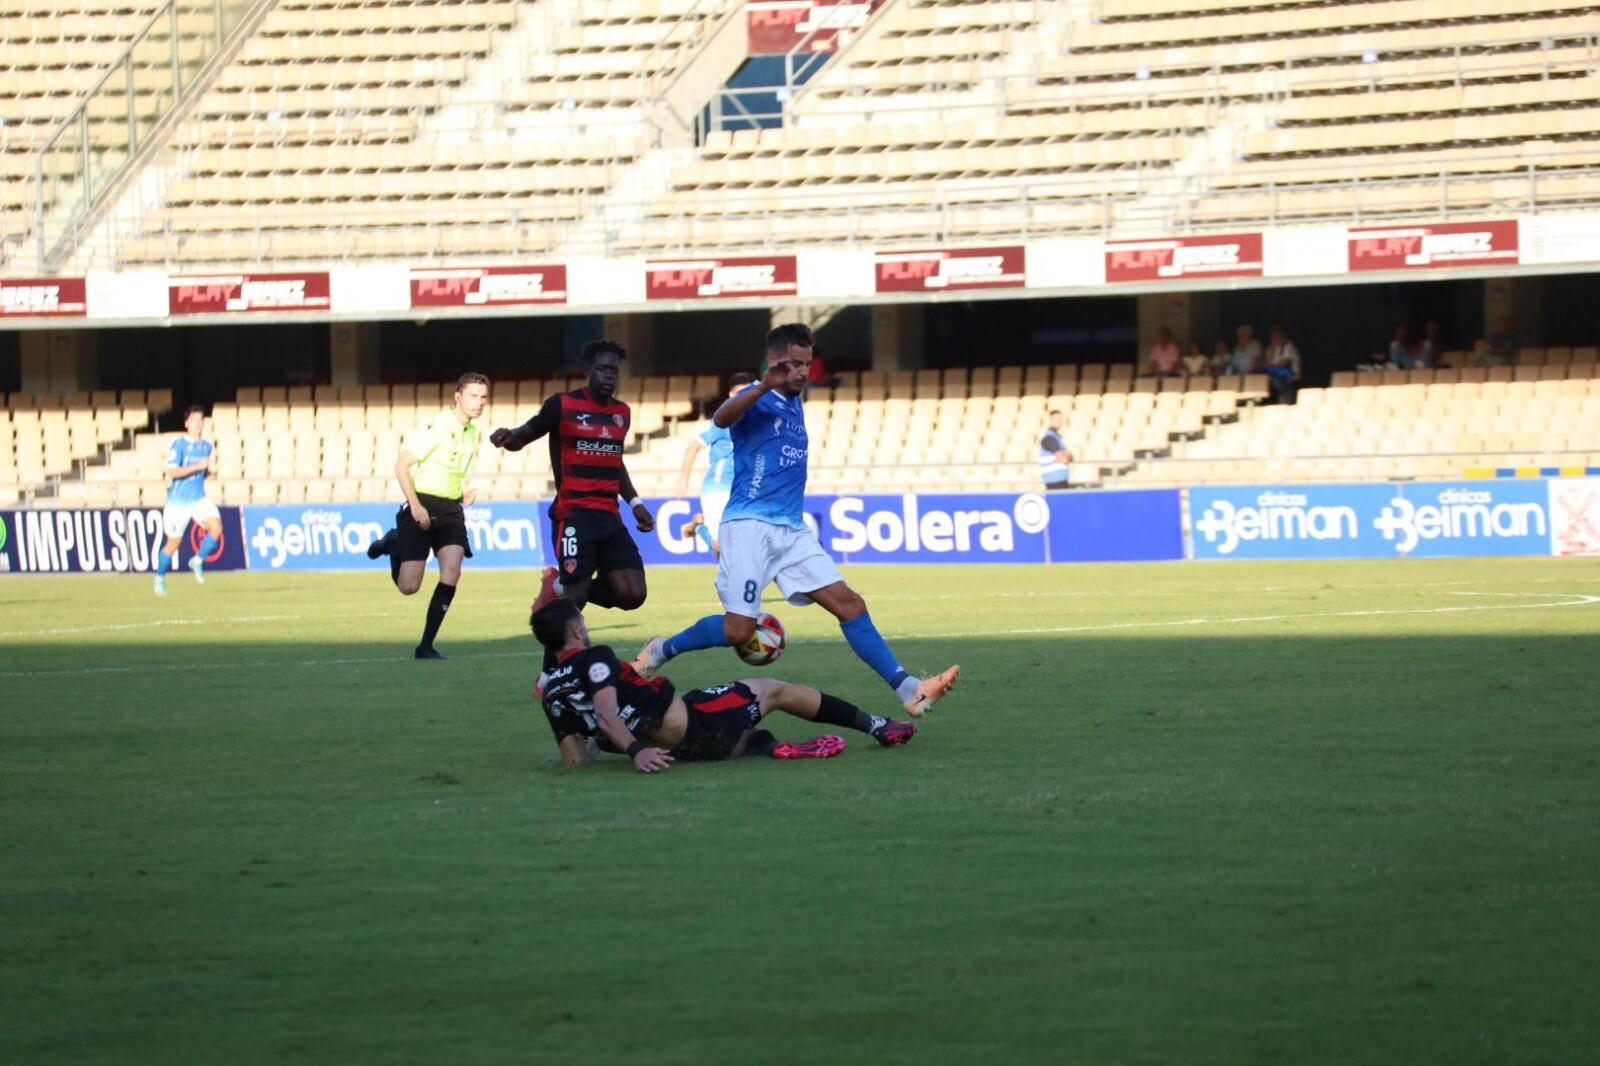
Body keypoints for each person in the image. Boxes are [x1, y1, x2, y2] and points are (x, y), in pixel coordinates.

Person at [632, 323, 960, 718]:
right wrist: (762, 385)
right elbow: (721, 419)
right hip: (750, 525)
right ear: (773, 362)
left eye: (807, 363)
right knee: (738, 631)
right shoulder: (759, 396)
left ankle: (909, 689)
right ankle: (661, 650)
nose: (804, 372)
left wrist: (782, 382)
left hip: (791, 529)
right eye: (794, 365)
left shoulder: (793, 399)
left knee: (850, 605)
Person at [534, 598, 917, 772]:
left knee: (742, 729)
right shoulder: (595, 656)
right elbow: (604, 710)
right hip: (697, 726)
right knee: (772, 689)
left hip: (679, 751)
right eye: (581, 622)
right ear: (574, 631)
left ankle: (768, 746)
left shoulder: (550, 690)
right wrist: (635, 751)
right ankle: (879, 727)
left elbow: (573, 760)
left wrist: (603, 747)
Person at [366, 372, 489, 659]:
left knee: (452, 571)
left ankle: (426, 646)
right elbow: (401, 466)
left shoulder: (473, 433)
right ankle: (394, 543)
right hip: (421, 505)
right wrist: (416, 506)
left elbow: (447, 471)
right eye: (473, 396)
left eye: (484, 397)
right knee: (409, 587)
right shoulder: (437, 426)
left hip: (450, 510)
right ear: (458, 397)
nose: (479, 402)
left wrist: (460, 496)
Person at [674, 372, 757, 557]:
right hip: (719, 485)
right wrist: (683, 479)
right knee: (721, 547)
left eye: (748, 393)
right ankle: (699, 526)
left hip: (743, 488)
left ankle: (698, 525)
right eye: (738, 394)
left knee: (741, 543)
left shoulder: (756, 423)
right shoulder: (723, 421)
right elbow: (694, 445)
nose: (742, 398)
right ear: (730, 395)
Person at [153, 405, 221, 597]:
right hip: (178, 503)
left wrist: (208, 473)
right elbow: (172, 471)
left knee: (216, 527)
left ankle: (198, 560)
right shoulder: (179, 445)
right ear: (186, 424)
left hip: (198, 499)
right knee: (173, 543)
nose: (198, 424)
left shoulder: (206, 446)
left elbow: (200, 471)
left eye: (200, 420)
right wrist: (197, 466)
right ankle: (159, 578)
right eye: (194, 421)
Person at [1263, 324, 1302, 405]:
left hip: (1290, 374)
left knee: (1276, 379)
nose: (1275, 336)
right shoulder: (1270, 347)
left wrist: (1272, 365)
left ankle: (1286, 399)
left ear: (1281, 334)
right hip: (1275, 373)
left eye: (1277, 334)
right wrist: (1273, 350)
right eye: (1273, 334)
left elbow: (1284, 363)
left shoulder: (1287, 345)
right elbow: (1267, 363)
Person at [1039, 409, 1073, 491]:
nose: (1059, 422)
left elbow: (1070, 456)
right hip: (1054, 479)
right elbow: (1063, 459)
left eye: (1060, 419)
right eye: (1056, 419)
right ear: (1050, 420)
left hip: (1059, 478)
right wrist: (1066, 456)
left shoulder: (1057, 437)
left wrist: (1067, 456)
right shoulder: (1049, 438)